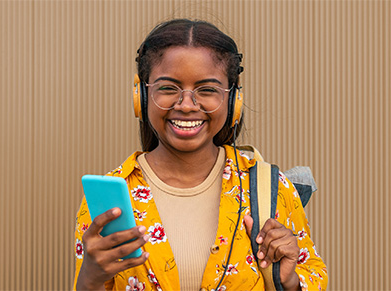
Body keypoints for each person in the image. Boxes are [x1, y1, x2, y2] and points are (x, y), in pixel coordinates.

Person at [73, 19, 328, 291]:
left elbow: (310, 273)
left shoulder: (272, 188)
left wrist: (289, 282)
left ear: (234, 100)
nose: (186, 105)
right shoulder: (107, 202)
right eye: (168, 88)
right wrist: (90, 279)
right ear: (141, 96)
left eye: (207, 90)